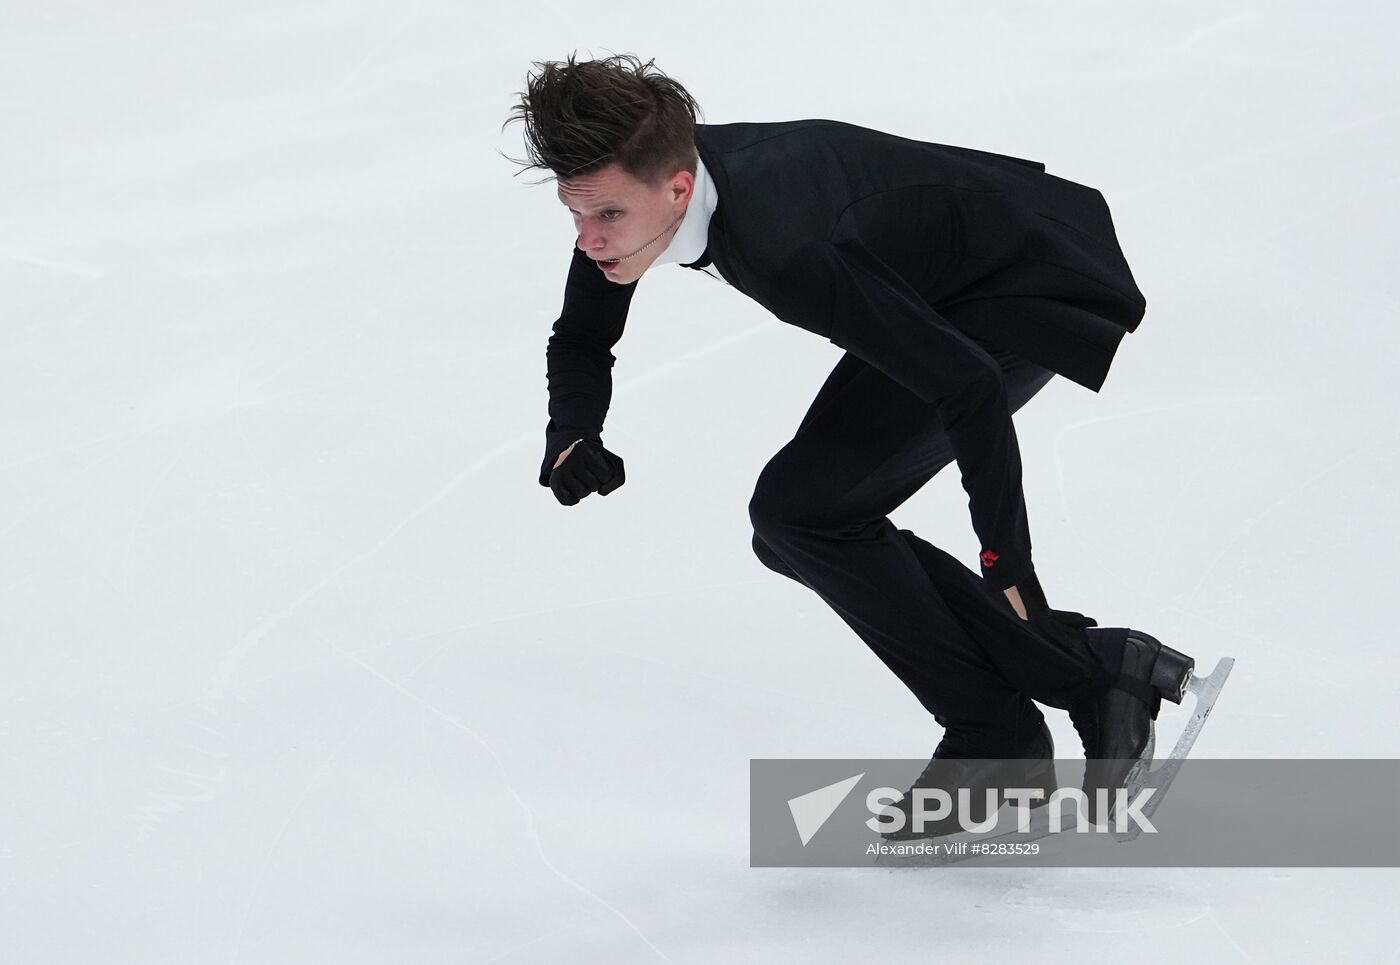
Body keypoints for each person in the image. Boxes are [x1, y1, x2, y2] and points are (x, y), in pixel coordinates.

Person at [504, 53, 1196, 833]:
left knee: (803, 517)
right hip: (938, 283)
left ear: (678, 188)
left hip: (1019, 287)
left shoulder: (788, 245)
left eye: (606, 219)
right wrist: (572, 433)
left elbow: (968, 386)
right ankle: (1076, 683)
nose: (589, 240)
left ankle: (1034, 709)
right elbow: (582, 336)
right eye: (576, 215)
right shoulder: (641, 176)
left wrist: (1008, 563)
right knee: (801, 524)